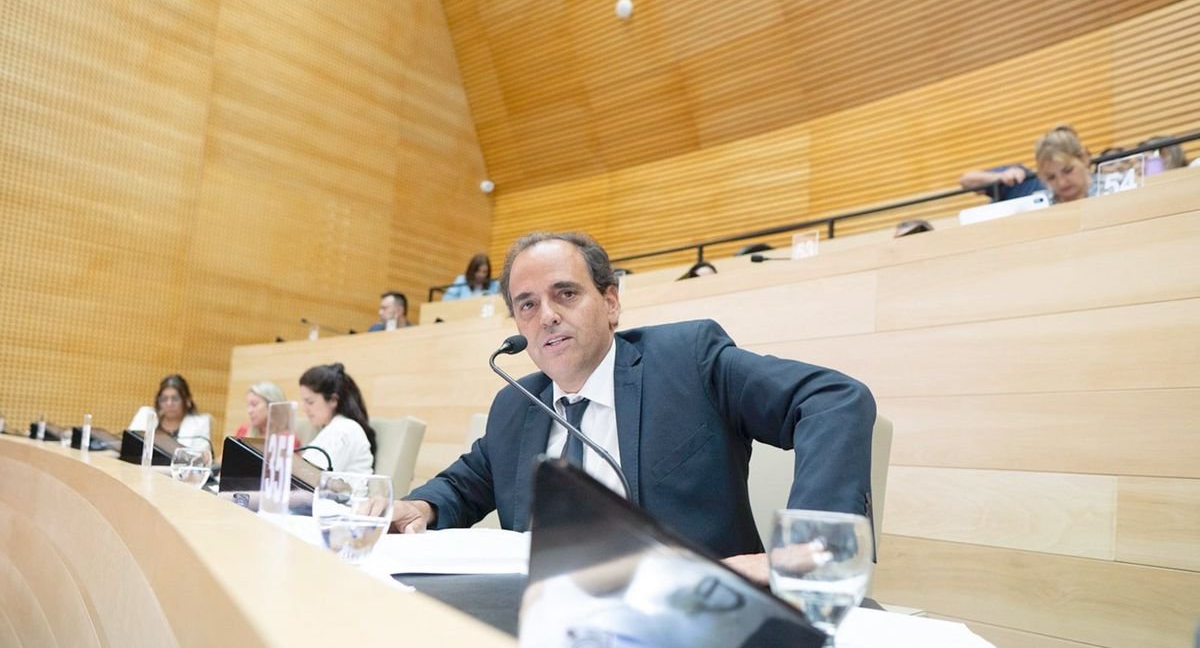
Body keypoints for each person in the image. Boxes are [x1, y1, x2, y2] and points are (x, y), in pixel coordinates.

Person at [391, 231, 875, 585]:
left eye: (565, 293)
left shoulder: (689, 361)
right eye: (527, 305)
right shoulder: (518, 404)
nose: (548, 316)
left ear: (611, 303)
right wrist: (421, 506)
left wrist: (805, 549)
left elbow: (833, 400)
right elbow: (466, 483)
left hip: (693, 616)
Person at [298, 363, 376, 474]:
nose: (305, 409)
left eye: (310, 402)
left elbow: (312, 476)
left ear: (333, 400)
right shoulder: (333, 428)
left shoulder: (345, 429)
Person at [128, 374, 211, 451]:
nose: (169, 404)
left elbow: (201, 457)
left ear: (187, 401)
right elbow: (129, 445)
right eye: (164, 399)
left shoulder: (200, 424)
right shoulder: (145, 415)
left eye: (175, 399)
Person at [1034, 125, 1096, 203]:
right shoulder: (1038, 204)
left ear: (1083, 159)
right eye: (1051, 177)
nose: (1061, 183)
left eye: (1068, 171)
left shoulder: (1110, 190)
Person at [234, 381, 298, 448]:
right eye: (248, 405)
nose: (249, 411)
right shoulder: (243, 430)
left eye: (254, 404)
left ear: (272, 406)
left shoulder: (287, 439)